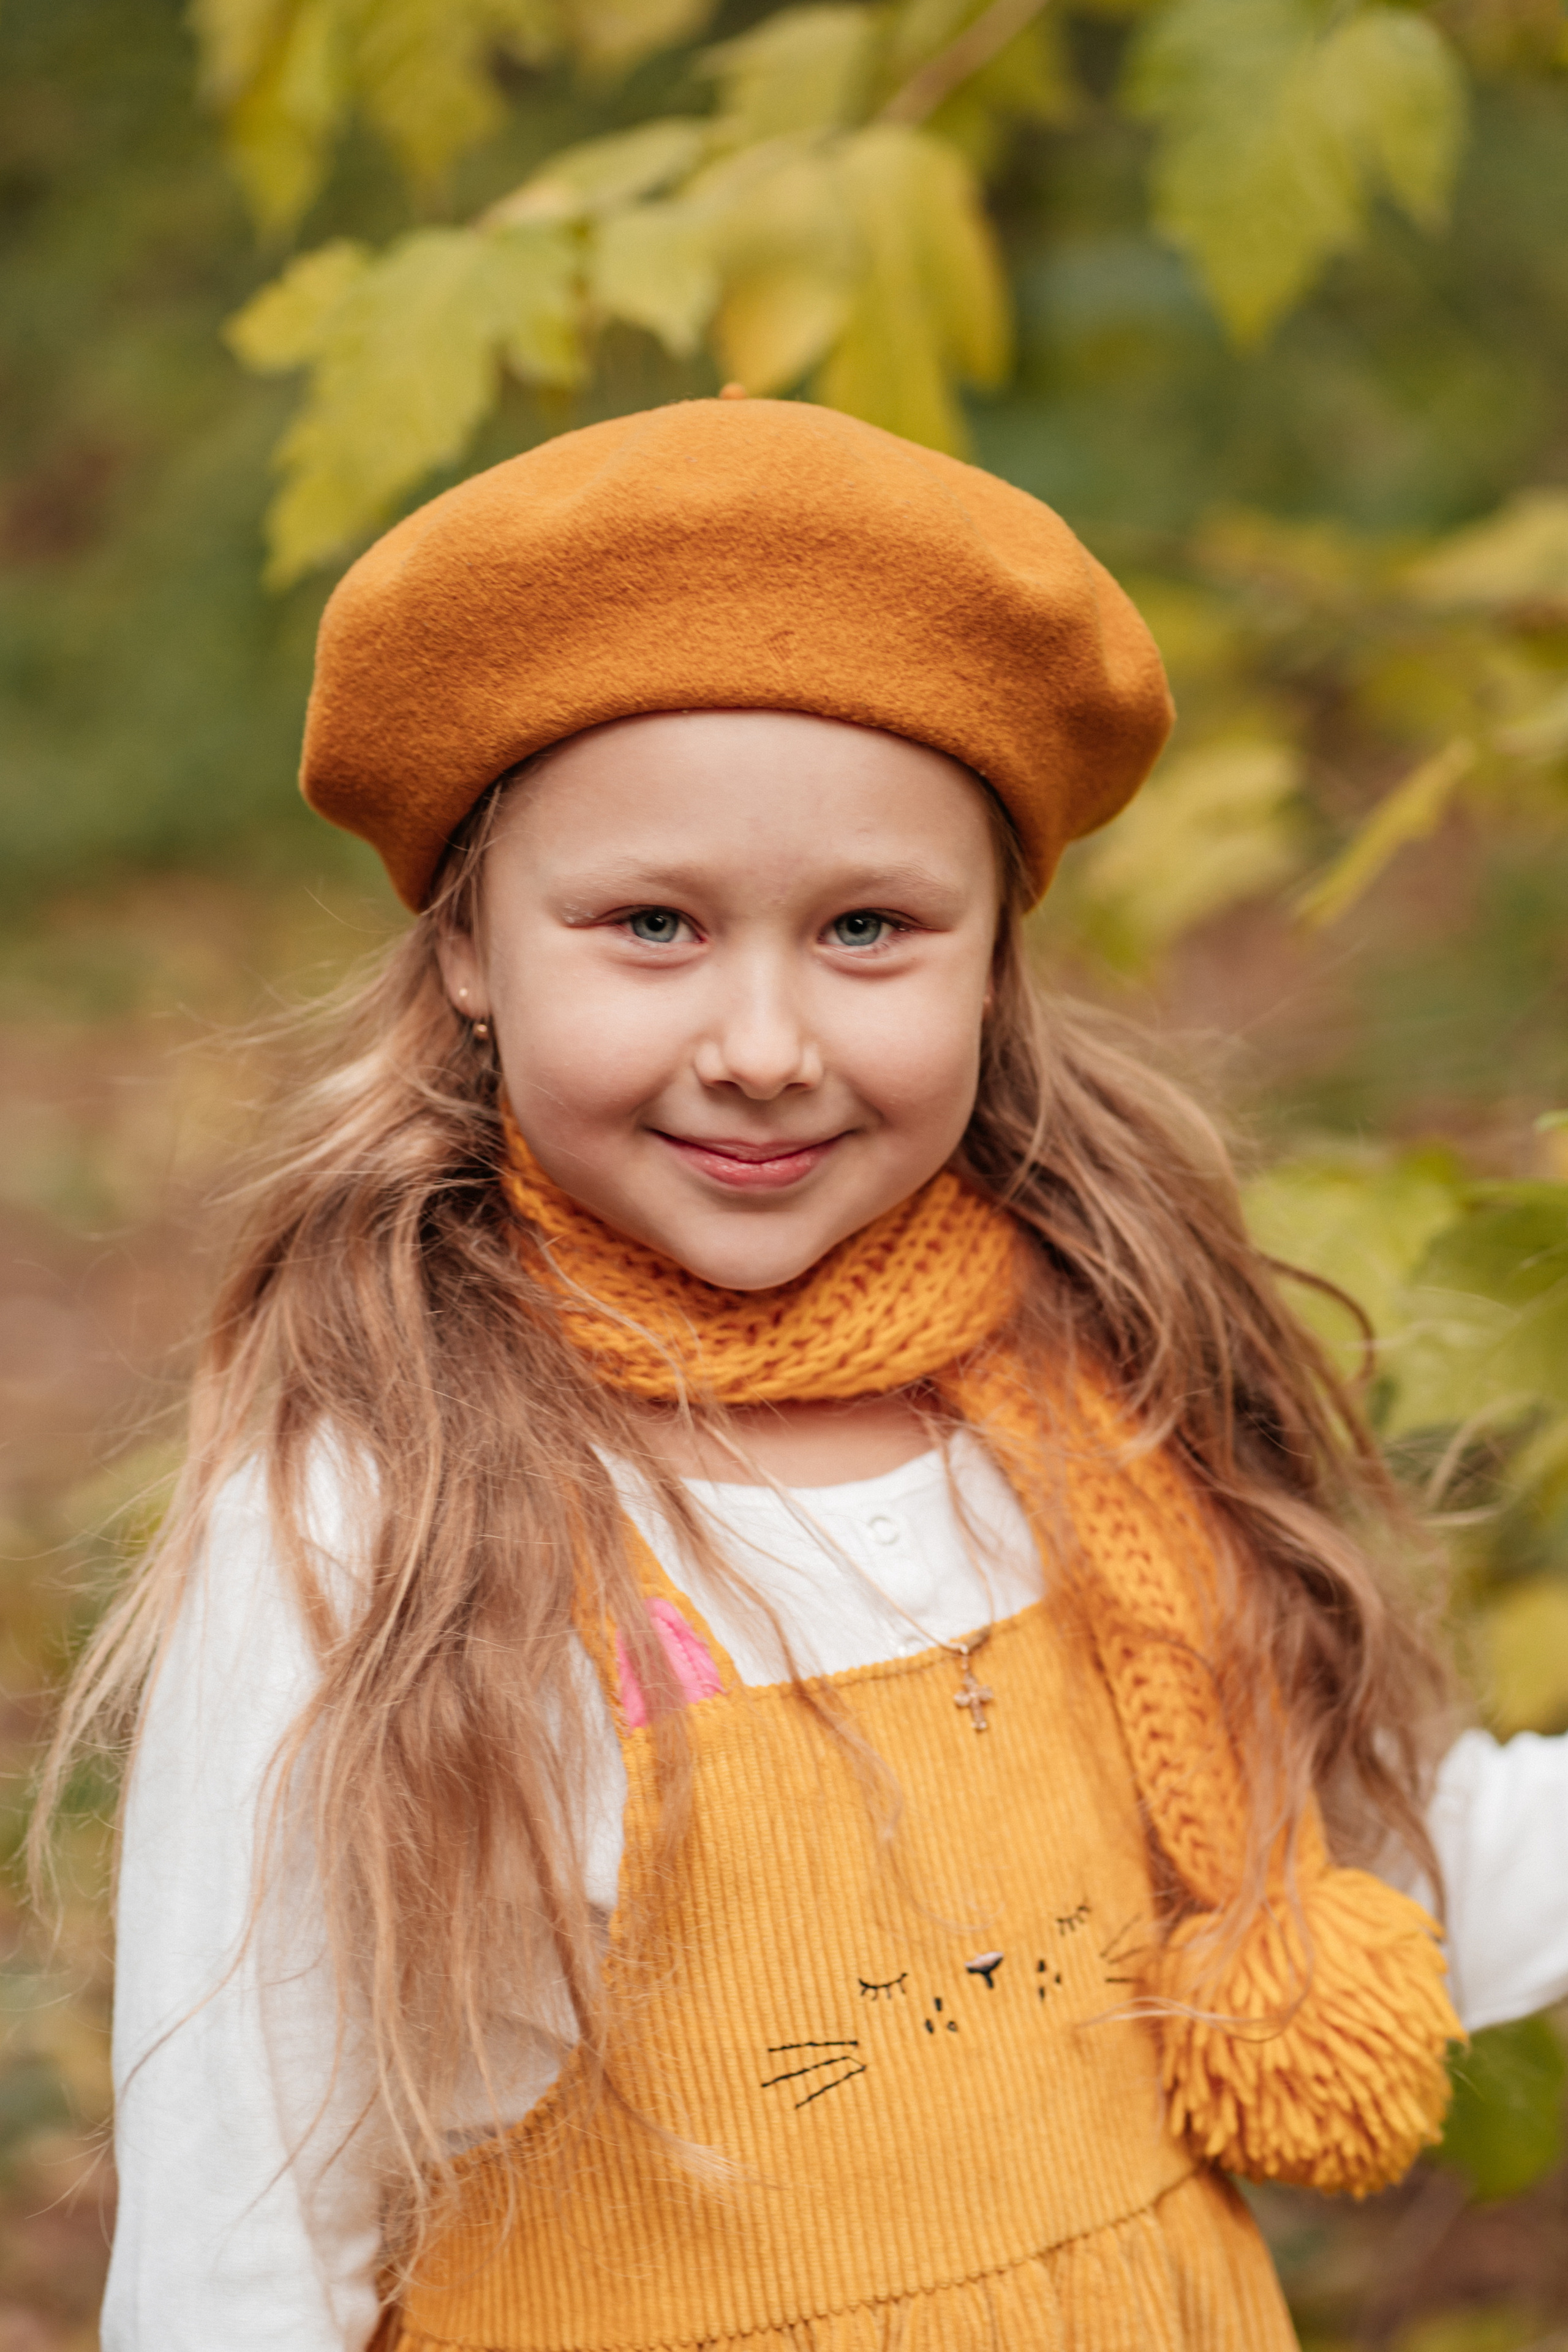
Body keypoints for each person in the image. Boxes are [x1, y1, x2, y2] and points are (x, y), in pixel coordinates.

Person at [50, 398, 1568, 2351]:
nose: (762, 1040)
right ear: (471, 954)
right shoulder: (388, 1503)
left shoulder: (1086, 1395)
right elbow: (247, 2206)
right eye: (652, 927)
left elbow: (1363, 1866)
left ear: (997, 959)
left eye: (869, 929)